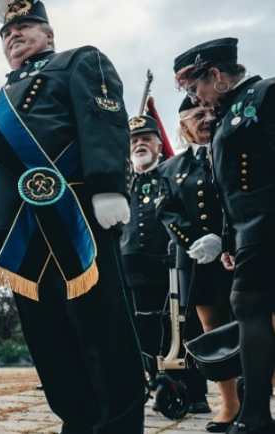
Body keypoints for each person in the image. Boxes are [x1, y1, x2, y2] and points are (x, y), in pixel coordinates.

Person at [0, 1, 146, 432]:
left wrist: (108, 183)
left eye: (26, 25)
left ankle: (118, 425)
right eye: (7, 31)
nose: (14, 34)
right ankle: (78, 420)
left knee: (102, 332)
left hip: (78, 219)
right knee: (49, 340)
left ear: (49, 34)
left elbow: (103, 117)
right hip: (23, 234)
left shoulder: (78, 61)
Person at [174, 37, 275, 434]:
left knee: (248, 309)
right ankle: (255, 414)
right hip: (250, 233)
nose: (197, 98)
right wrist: (230, 239)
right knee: (247, 309)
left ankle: (255, 417)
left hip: (268, 227)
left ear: (215, 76)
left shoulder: (266, 95)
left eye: (194, 87)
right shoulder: (228, 113)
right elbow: (229, 189)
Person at [156, 97, 239, 432]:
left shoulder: (235, 154)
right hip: (197, 261)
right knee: (214, 331)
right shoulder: (170, 169)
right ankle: (230, 404)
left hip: (240, 253)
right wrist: (193, 241)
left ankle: (262, 397)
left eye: (211, 113)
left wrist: (226, 239)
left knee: (260, 324)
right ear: (183, 125)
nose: (206, 119)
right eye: (197, 115)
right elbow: (167, 211)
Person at [121, 115, 210, 414]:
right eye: (134, 141)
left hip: (172, 260)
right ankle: (158, 384)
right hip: (133, 263)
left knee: (185, 327)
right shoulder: (122, 180)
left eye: (146, 138)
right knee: (144, 328)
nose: (140, 144)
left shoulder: (172, 173)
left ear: (160, 144)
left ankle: (196, 392)